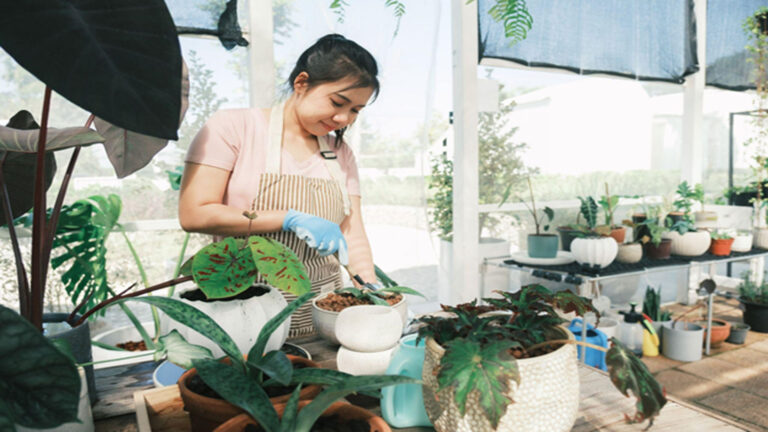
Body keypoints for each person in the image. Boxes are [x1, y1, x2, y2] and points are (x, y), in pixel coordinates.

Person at [179, 34, 378, 337]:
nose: (342, 118)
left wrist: (370, 288)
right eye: (338, 102)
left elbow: (352, 231)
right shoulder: (234, 128)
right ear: (302, 83)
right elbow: (194, 213)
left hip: (321, 312)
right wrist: (288, 218)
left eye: (355, 111)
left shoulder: (340, 154)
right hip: (245, 307)